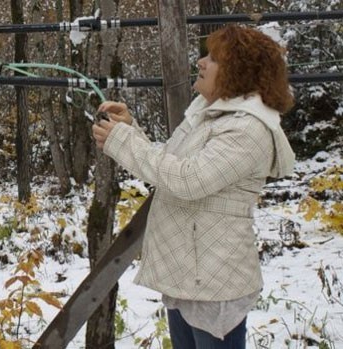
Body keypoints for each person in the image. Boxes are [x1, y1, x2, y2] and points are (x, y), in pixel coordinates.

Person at [91, 24, 296, 349]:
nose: (201, 62)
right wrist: (130, 130)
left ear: (238, 72)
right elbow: (169, 169)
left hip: (216, 282)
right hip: (190, 275)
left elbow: (187, 180)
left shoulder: (249, 129)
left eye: (213, 58)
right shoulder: (211, 117)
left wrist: (124, 142)